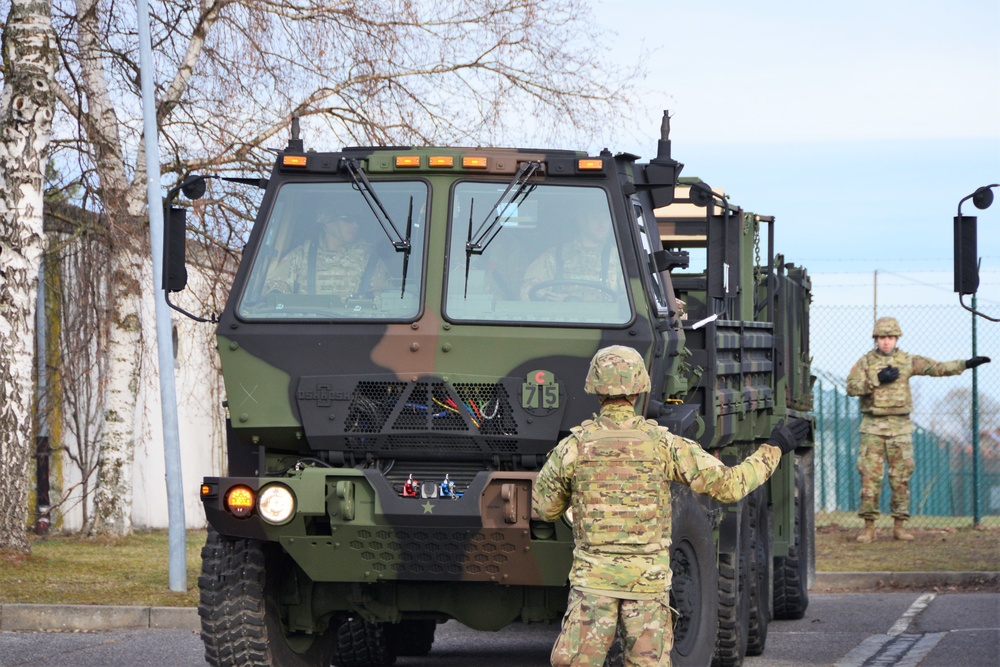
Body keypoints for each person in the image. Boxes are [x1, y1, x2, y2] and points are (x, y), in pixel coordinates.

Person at [532, 345, 810, 667]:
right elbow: (730, 486)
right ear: (640, 389)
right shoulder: (663, 445)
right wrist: (775, 447)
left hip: (592, 586)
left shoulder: (573, 447)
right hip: (647, 588)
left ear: (595, 388)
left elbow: (544, 508)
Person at [845, 316, 990, 543]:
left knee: (901, 479)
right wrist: (876, 379)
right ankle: (869, 528)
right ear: (876, 339)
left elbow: (936, 368)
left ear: (896, 339)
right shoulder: (865, 362)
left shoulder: (907, 361)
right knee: (870, 478)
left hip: (900, 428)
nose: (886, 342)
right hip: (873, 427)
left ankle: (899, 526)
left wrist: (965, 364)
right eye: (882, 337)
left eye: (890, 337)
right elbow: (852, 387)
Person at [264, 208, 388, 300]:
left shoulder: (368, 258)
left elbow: (384, 299)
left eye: (358, 220)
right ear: (327, 221)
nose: (355, 225)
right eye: (348, 218)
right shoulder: (302, 254)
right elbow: (276, 289)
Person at [519, 210, 626, 302]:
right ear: (582, 220)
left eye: (606, 217)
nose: (602, 224)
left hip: (609, 324)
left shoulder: (620, 258)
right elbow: (527, 291)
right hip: (561, 323)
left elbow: (630, 298)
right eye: (595, 217)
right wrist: (553, 299)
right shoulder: (555, 255)